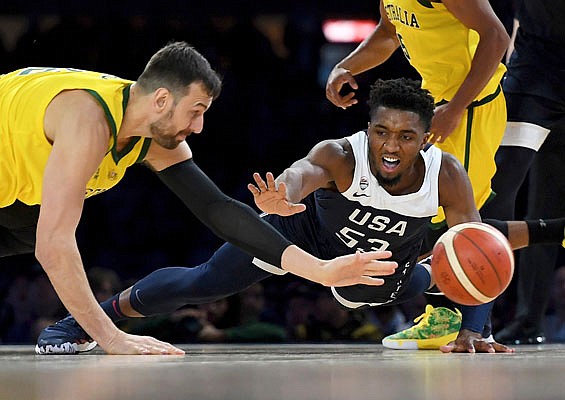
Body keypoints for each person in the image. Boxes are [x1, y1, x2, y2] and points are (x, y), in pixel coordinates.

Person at [38, 78, 565, 354]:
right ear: (369, 128)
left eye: (406, 137)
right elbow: (300, 173)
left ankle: (447, 319)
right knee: (201, 283)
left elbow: (475, 249)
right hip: (304, 236)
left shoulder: (446, 174)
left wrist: (477, 328)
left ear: (425, 139)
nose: (390, 145)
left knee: (426, 273)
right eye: (382, 131)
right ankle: (80, 323)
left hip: (383, 264)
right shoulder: (340, 153)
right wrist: (280, 195)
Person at [0, 41, 398, 355]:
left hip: (12, 195)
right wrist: (110, 337)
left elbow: (219, 209)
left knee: (31, 226)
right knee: (48, 233)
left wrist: (320, 270)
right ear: (161, 100)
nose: (200, 126)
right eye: (195, 111)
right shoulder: (87, 121)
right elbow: (53, 247)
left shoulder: (149, 133)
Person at [325, 0, 511, 345]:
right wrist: (345, 65)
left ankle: (478, 329)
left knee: (465, 220)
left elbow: (496, 37)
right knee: (426, 211)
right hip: (437, 103)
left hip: (470, 107)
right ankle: (444, 317)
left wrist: (456, 108)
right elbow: (388, 32)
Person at [480, 0, 565, 345]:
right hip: (535, 70)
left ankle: (527, 320)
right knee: (493, 191)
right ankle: (477, 322)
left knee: (545, 201)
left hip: (535, 68)